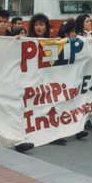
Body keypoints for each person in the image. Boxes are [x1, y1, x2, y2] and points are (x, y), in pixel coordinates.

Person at [0, 10, 33, 152]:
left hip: (9, 80)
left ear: (9, 22)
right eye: (0, 22)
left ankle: (18, 141)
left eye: (5, 22)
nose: (2, 24)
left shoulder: (11, 37)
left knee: (13, 110)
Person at [27, 13, 68, 146]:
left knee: (51, 107)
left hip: (48, 81)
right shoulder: (26, 41)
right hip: (32, 81)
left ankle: (52, 135)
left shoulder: (52, 42)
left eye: (42, 24)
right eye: (36, 24)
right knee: (33, 108)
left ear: (46, 27)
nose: (39, 27)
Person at [75, 13, 92, 131]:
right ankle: (83, 119)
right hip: (82, 70)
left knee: (90, 95)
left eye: (90, 21)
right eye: (87, 21)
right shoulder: (78, 37)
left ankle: (88, 118)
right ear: (81, 23)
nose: (90, 23)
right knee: (82, 95)